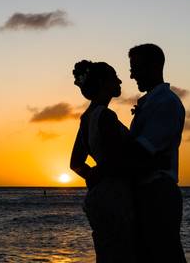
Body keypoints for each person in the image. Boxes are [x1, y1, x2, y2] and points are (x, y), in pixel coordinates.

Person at [70, 60, 136, 263]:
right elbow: (116, 159)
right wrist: (101, 176)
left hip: (98, 196)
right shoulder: (105, 116)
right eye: (114, 76)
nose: (119, 80)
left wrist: (93, 178)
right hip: (115, 196)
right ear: (102, 82)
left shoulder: (86, 117)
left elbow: (76, 163)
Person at [128, 43, 186, 263]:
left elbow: (142, 151)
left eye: (136, 68)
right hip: (147, 192)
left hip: (158, 192)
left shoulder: (166, 103)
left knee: (165, 254)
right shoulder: (154, 101)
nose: (132, 75)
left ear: (154, 66)